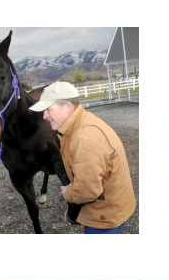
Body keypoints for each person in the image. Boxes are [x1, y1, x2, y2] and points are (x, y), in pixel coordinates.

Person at [29, 81, 136, 234]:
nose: (44, 116)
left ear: (67, 107)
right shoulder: (79, 125)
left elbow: (87, 191)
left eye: (48, 110)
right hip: (106, 208)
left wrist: (68, 193)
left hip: (105, 218)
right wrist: (76, 214)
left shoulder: (83, 139)